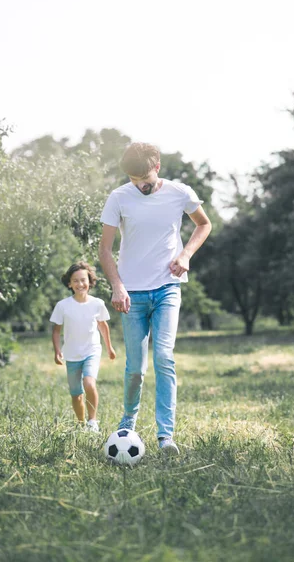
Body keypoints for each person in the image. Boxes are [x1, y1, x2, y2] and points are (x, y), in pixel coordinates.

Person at [99, 142, 211, 453]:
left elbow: (204, 224)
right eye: (134, 180)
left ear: (157, 166)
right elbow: (105, 249)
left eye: (145, 178)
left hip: (167, 288)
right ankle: (127, 424)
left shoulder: (180, 192)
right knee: (136, 368)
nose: (140, 185)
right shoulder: (119, 197)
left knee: (164, 356)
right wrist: (117, 286)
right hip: (131, 295)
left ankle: (166, 437)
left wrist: (186, 254)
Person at [50, 261, 116, 432]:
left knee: (89, 382)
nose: (80, 284)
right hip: (71, 354)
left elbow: (103, 326)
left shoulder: (97, 303)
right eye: (76, 280)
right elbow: (56, 331)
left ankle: (93, 421)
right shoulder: (62, 306)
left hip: (91, 351)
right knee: (76, 394)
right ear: (69, 284)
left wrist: (109, 348)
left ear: (90, 281)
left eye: (83, 280)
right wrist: (57, 351)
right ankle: (81, 424)